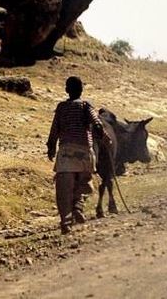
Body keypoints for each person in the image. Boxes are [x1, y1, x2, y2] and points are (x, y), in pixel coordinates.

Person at [46, 76, 109, 234]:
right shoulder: (86, 106)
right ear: (82, 90)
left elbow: (54, 129)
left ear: (67, 90)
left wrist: (51, 147)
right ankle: (78, 207)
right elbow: (97, 124)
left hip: (66, 152)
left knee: (63, 190)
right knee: (83, 183)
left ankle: (65, 223)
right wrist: (104, 137)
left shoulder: (61, 107)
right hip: (84, 153)